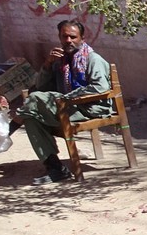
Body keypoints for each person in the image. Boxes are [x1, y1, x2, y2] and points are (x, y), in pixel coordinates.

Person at [13, 19, 112, 184]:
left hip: (90, 108)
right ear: (59, 38)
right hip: (68, 107)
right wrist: (48, 63)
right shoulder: (61, 61)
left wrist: (68, 97)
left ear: (82, 38)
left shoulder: (92, 59)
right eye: (64, 37)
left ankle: (8, 129)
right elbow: (41, 86)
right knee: (31, 118)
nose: (68, 41)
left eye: (73, 37)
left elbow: (100, 87)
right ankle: (56, 168)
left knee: (34, 98)